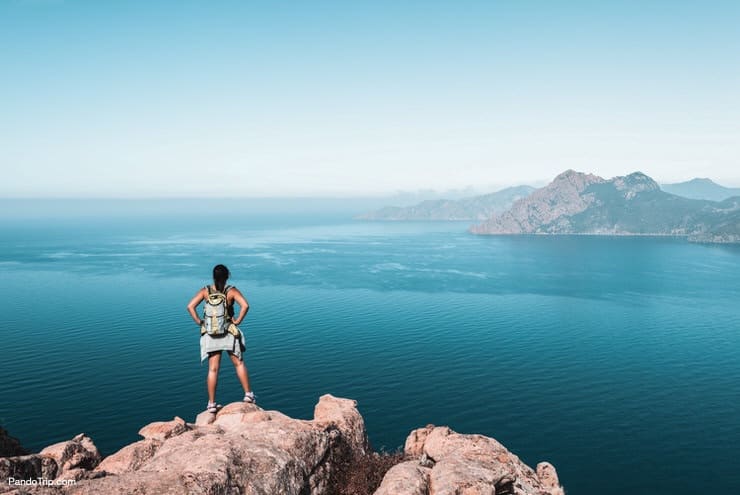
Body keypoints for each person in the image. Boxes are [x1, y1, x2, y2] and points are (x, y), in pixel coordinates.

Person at [187, 264, 255, 413]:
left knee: (213, 369)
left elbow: (190, 306)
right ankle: (248, 395)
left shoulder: (206, 291)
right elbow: (245, 306)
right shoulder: (231, 291)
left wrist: (200, 322)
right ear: (227, 276)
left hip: (211, 333)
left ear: (213, 276)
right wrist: (237, 321)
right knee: (238, 363)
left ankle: (211, 404)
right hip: (228, 331)